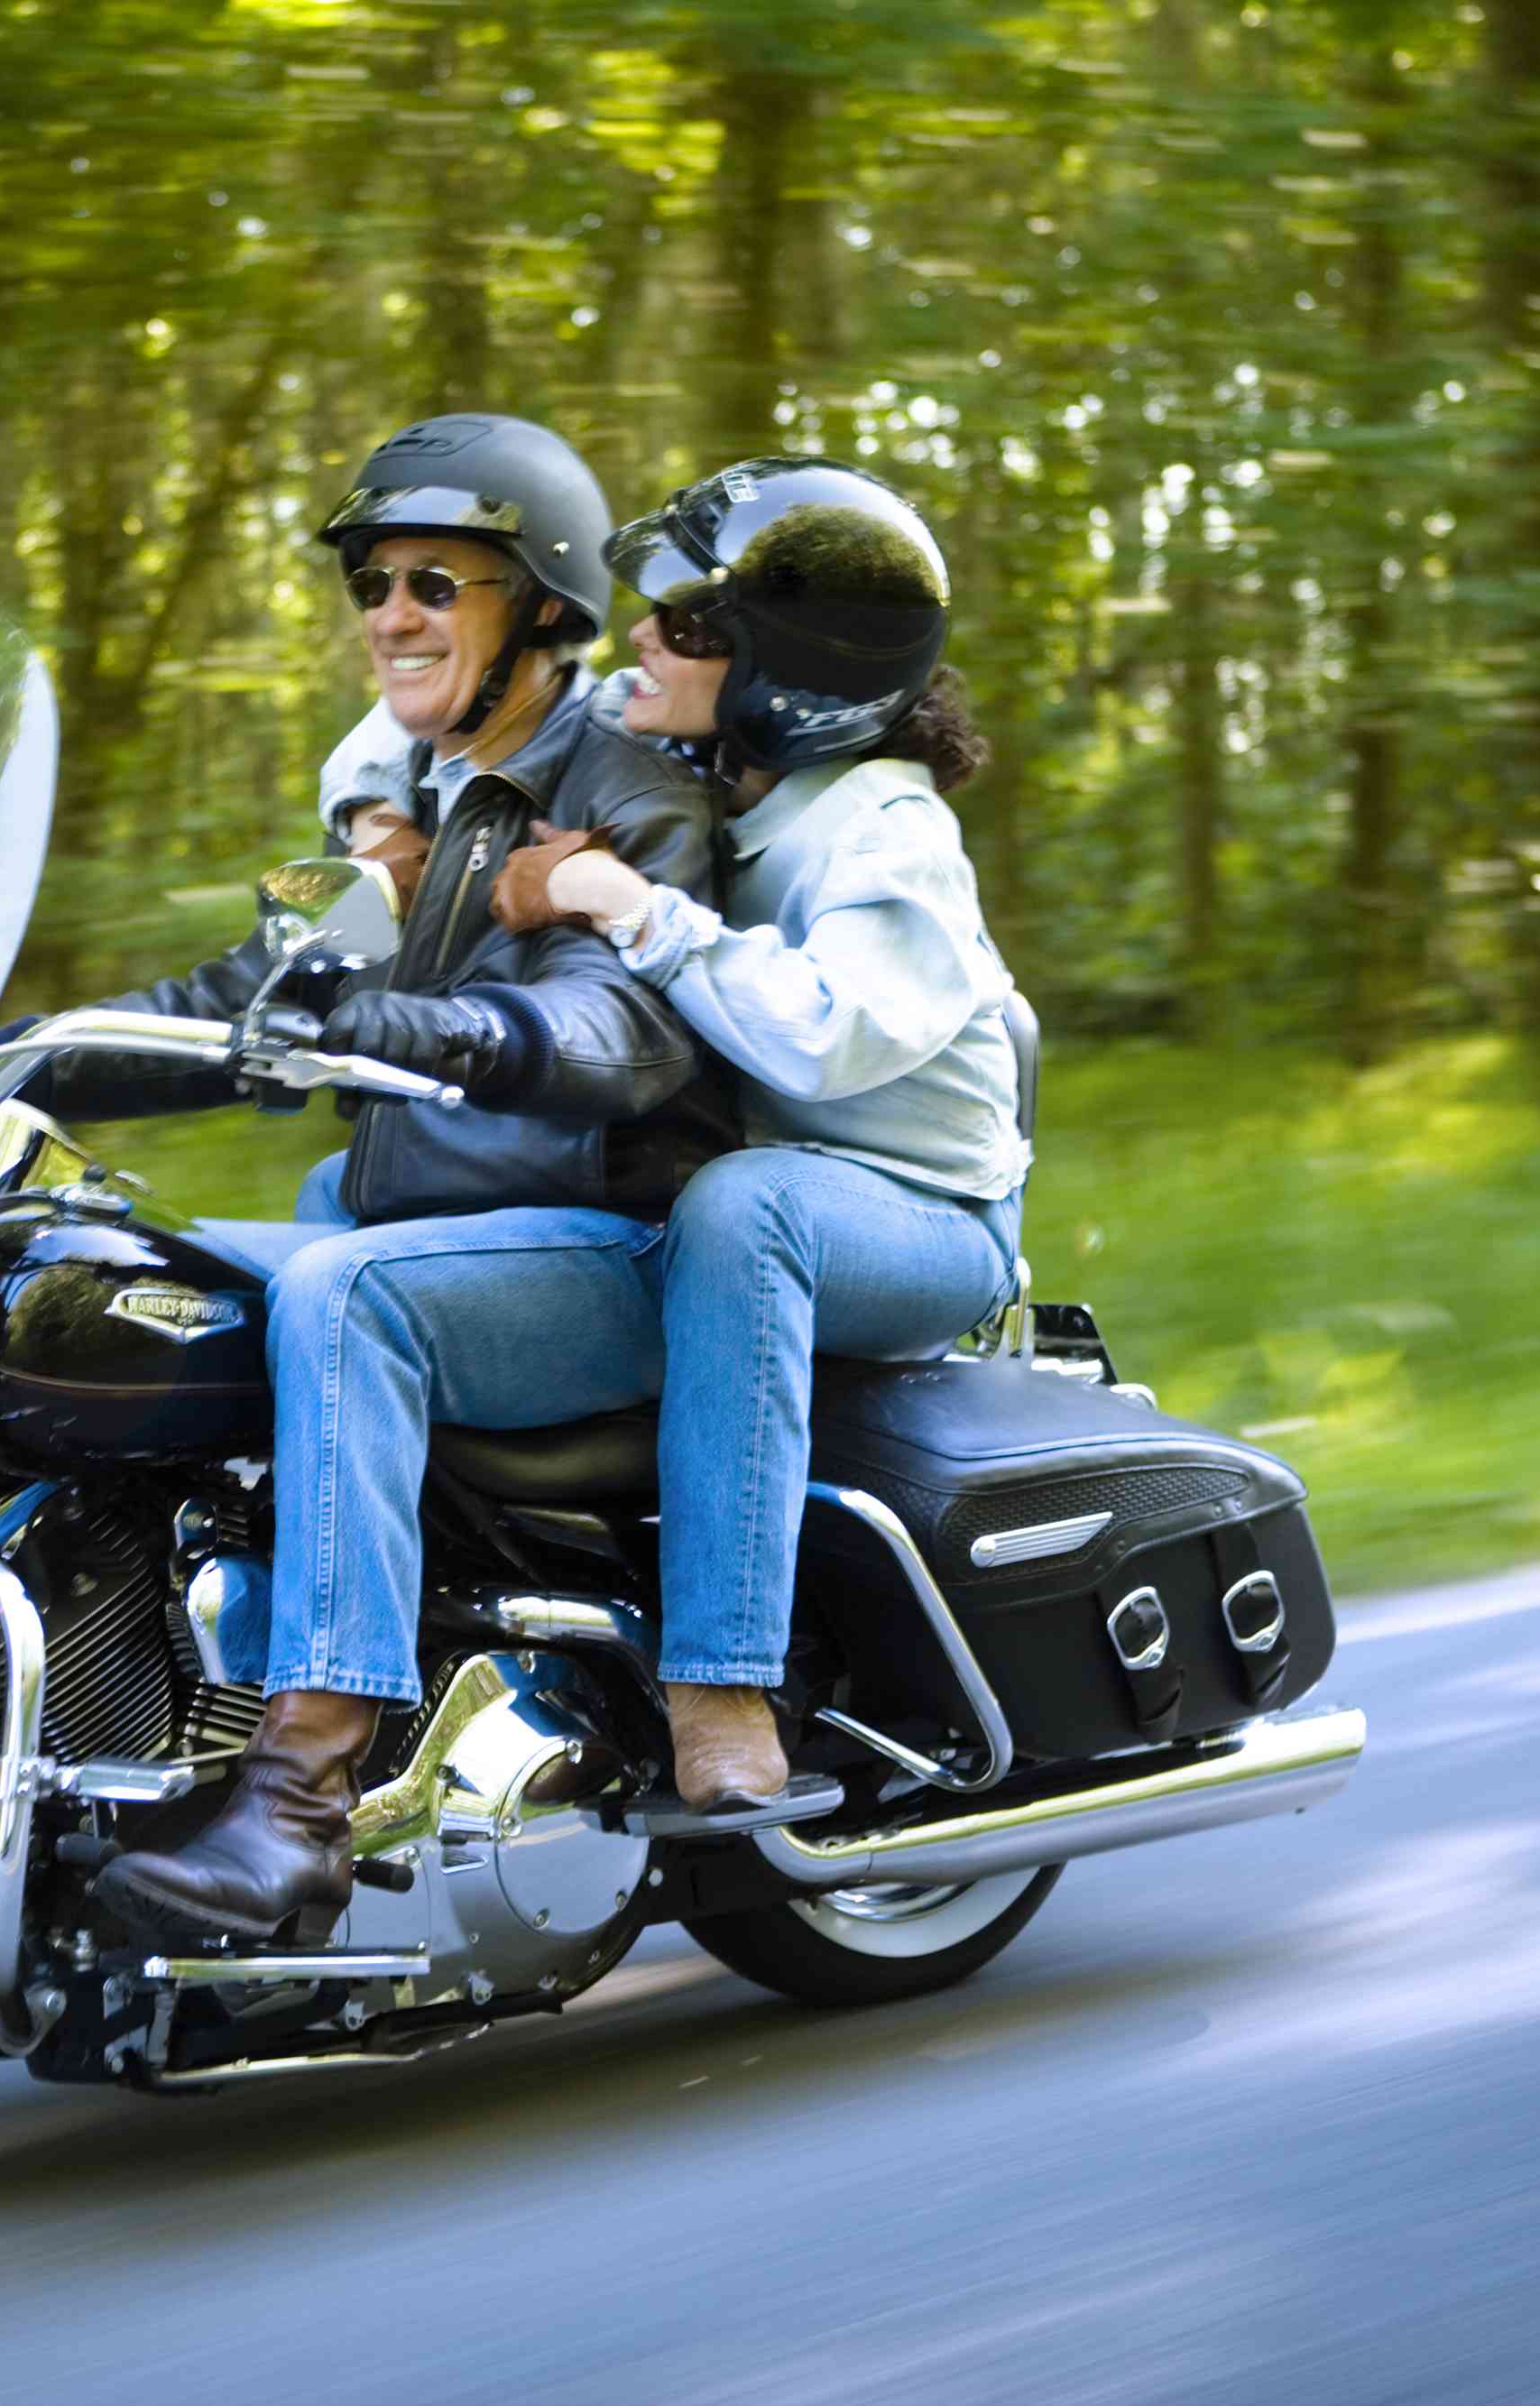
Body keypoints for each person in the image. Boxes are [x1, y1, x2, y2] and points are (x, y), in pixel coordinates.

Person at [36, 413, 736, 1938]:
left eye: (437, 583)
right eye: (374, 583)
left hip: (595, 1255)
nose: (393, 615)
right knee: (66, 1273)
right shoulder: (403, 815)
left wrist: (405, 1017)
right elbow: (255, 990)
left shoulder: (630, 805)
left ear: (542, 608)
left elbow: (613, 1035)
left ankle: (297, 1804)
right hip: (426, 1234)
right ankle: (74, 1737)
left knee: (344, 1297)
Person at [516, 456, 1027, 1810]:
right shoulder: (708, 777)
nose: (642, 638)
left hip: (924, 1220)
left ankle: (722, 1683)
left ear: (780, 676)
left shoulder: (887, 828)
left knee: (748, 1208)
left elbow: (822, 1035)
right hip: (782, 1195)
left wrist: (634, 905)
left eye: (686, 627)